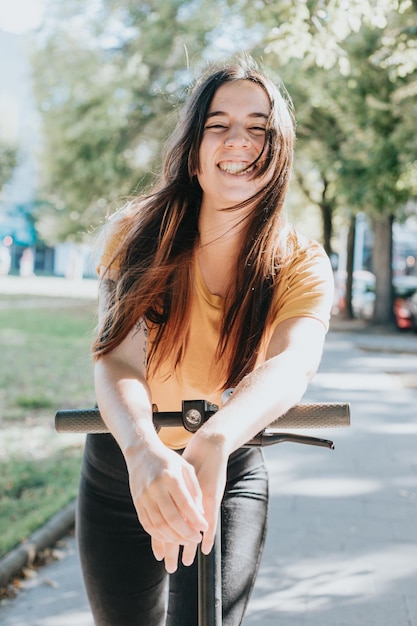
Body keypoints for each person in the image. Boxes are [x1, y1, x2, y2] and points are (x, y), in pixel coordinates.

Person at [77, 55, 334, 626]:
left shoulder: (303, 263)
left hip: (227, 462)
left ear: (280, 150)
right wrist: (143, 451)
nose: (238, 140)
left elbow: (294, 364)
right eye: (218, 124)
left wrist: (214, 441)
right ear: (194, 151)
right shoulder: (137, 234)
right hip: (124, 461)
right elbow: (117, 357)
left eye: (258, 127)